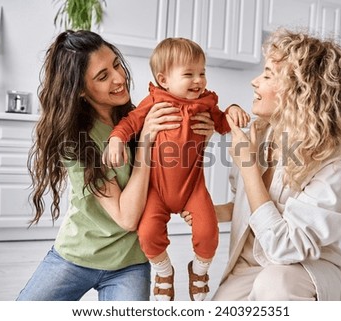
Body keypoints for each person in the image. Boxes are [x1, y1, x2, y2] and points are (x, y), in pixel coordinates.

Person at [16, 30, 213, 301]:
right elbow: (127, 217)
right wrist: (144, 143)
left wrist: (203, 133)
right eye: (103, 76)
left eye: (116, 65)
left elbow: (174, 178)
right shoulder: (76, 140)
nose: (120, 78)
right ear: (81, 90)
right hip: (78, 255)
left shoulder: (140, 115)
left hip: (129, 263)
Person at [183, 28, 341, 300]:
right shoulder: (261, 134)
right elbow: (250, 206)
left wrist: (248, 167)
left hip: (301, 269)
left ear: (301, 91)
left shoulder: (337, 163)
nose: (254, 82)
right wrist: (211, 211)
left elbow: (285, 248)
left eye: (268, 74)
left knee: (275, 284)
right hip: (250, 265)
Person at [103, 37, 250, 301]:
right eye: (189, 74)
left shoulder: (206, 103)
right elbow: (130, 121)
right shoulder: (154, 102)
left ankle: (199, 270)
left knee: (209, 233)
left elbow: (223, 123)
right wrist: (115, 139)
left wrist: (234, 110)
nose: (199, 80)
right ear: (164, 79)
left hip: (192, 188)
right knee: (147, 234)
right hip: (155, 190)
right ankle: (163, 271)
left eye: (202, 73)